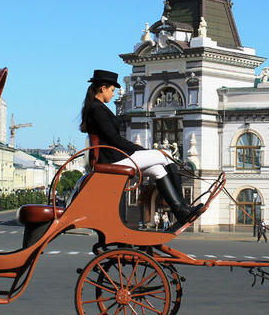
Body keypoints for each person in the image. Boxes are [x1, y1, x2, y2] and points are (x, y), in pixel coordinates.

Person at [81, 69, 202, 231]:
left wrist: (141, 151)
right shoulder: (97, 109)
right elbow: (115, 140)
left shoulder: (96, 107)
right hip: (113, 159)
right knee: (165, 156)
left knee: (159, 169)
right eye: (111, 90)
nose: (112, 94)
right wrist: (142, 150)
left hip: (113, 156)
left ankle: (180, 209)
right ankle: (183, 209)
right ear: (102, 88)